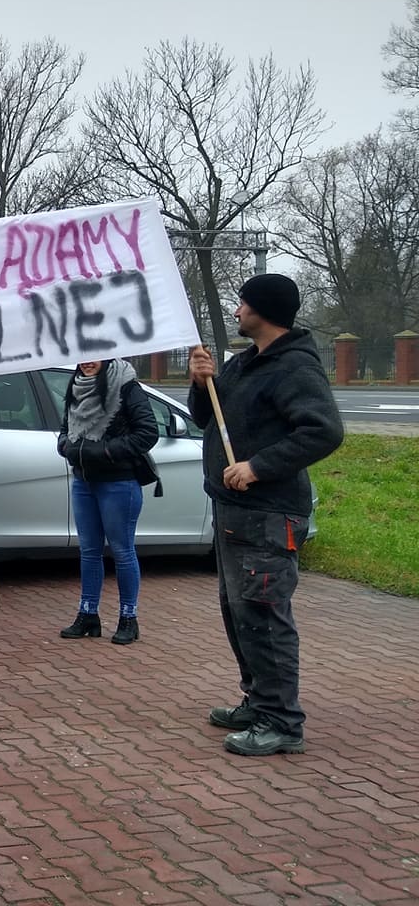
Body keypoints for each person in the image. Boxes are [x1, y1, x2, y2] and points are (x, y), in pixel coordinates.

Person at [188, 273, 343, 757]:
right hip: (234, 511)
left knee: (264, 615)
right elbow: (205, 417)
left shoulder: (293, 367)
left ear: (263, 309)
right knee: (240, 613)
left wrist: (257, 467)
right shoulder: (244, 364)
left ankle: (282, 722)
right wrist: (201, 383)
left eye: (242, 303)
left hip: (269, 515)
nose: (235, 311)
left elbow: (324, 431)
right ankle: (258, 701)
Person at [55, 359, 160, 645]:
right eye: (83, 354)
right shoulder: (76, 384)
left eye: (95, 353)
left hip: (119, 481)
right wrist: (65, 444)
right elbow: (67, 426)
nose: (88, 361)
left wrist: (105, 452)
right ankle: (88, 615)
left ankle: (129, 619)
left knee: (122, 551)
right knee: (88, 551)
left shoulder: (125, 385)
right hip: (83, 480)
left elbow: (148, 432)